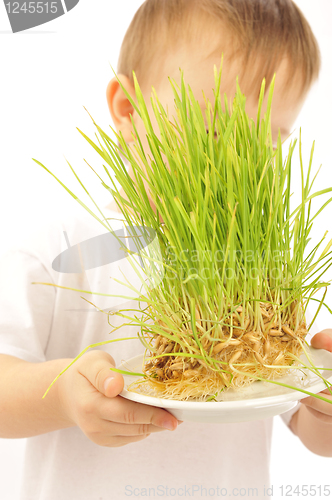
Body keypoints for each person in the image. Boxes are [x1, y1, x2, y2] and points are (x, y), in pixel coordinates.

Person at [0, 1, 331, 499]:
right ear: (130, 108)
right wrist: (65, 395)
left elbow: (300, 423)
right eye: (217, 133)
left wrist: (321, 405)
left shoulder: (257, 265)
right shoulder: (60, 244)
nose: (241, 168)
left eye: (269, 143)